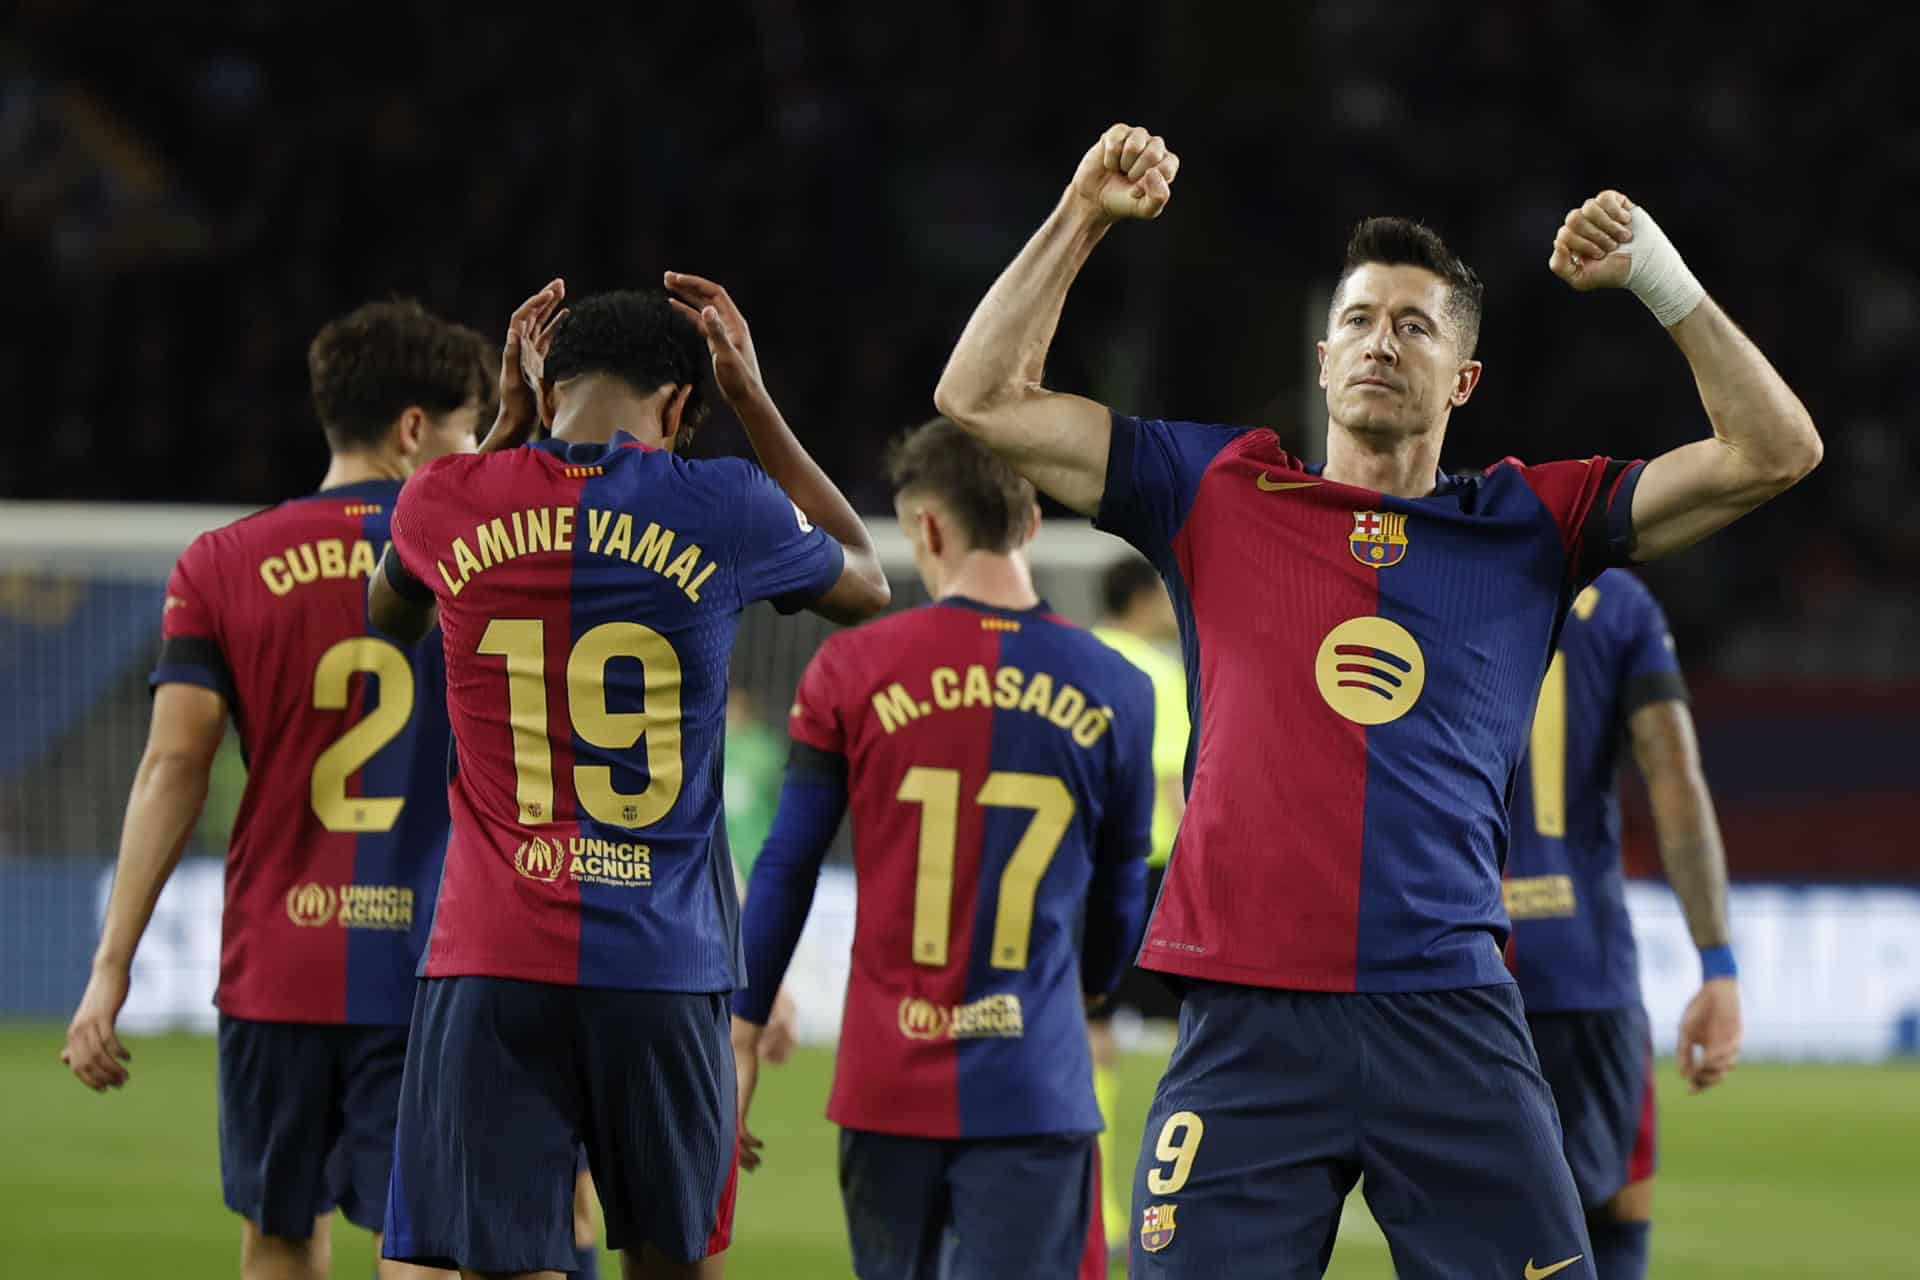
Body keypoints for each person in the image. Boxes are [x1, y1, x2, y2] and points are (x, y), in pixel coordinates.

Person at [933, 122, 1821, 1278]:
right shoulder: (1216, 488)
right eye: (1357, 319)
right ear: (1320, 358)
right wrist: (1082, 215)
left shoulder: (1528, 523)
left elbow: (1776, 450)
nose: (1380, 342)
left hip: (1448, 1013)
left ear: (1465, 378)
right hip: (1248, 1020)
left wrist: (1660, 277)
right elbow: (980, 396)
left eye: (1415, 325)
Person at [371, 273, 890, 1280]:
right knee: (673, 1263)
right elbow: (867, 576)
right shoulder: (726, 502)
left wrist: (505, 431)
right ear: (684, 403)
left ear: (544, 380)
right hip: (660, 958)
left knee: (497, 1266)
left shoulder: (445, 498)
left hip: (490, 956)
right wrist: (756, 402)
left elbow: (387, 613)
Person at [61, 299, 491, 1280]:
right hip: (438, 960)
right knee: (427, 1240)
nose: (478, 450)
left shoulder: (220, 562)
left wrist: (112, 962)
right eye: (470, 426)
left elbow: (175, 764)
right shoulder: (476, 564)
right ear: (414, 428)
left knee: (279, 1237)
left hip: (278, 960)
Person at [729, 417, 1155, 1279]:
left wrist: (741, 1031)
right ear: (1032, 523)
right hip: (1034, 1077)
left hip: (886, 1081)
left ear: (924, 526)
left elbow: (787, 864)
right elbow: (1119, 895)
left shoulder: (851, 670)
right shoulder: (1120, 686)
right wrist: (1095, 990)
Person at [1506, 569, 1742, 1280]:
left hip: (1453, 963)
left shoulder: (1440, 568)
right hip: (1584, 963)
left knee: (1463, 1233)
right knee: (1614, 1224)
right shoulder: (1617, 601)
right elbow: (1673, 773)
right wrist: (1718, 965)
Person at [1083, 555, 1189, 1253]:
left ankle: (1097, 1217)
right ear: (1144, 597)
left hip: (1080, 868)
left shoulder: (1079, 657)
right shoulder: (1156, 670)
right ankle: (1179, 1208)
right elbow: (1174, 788)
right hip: (1150, 874)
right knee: (1205, 1040)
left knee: (1090, 1037)